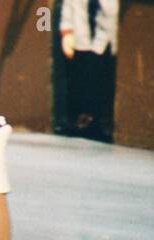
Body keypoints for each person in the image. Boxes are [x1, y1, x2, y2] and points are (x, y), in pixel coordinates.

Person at [60, 0, 120, 142]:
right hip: (82, 42)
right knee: (81, 80)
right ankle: (82, 118)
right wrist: (67, 34)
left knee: (101, 81)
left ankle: (100, 121)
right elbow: (67, 11)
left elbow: (112, 13)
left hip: (104, 42)